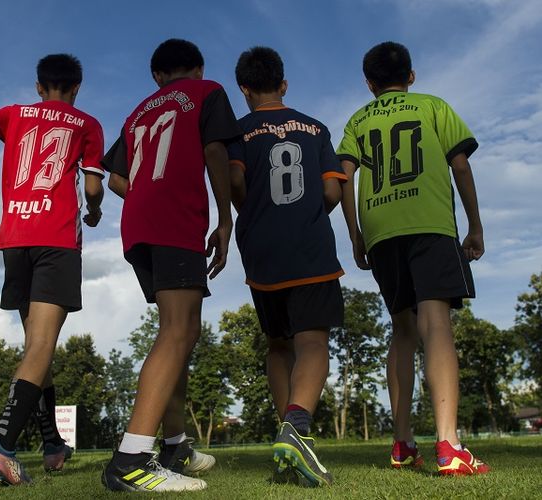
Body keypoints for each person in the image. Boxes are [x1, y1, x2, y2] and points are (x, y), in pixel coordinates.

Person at [336, 41, 489, 476]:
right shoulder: (434, 106)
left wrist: (356, 236)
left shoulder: (358, 120)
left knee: (401, 330)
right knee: (436, 322)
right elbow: (460, 165)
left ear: (369, 84)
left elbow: (343, 178)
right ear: (412, 75)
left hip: (382, 232)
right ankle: (449, 444)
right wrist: (475, 226)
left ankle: (402, 442)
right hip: (430, 225)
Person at [100, 38, 240, 493]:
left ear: (157, 76)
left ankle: (175, 444)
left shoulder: (138, 111)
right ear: (198, 68)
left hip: (137, 226)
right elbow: (217, 152)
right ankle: (131, 458)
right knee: (178, 331)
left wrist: (144, 197)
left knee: (179, 330)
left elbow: (117, 177)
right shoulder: (207, 91)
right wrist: (224, 215)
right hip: (176, 219)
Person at [0, 53, 105, 485]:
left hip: (16, 240)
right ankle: (0, 446)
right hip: (57, 239)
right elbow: (93, 187)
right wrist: (93, 210)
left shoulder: (14, 114)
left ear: (39, 87)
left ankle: (53, 443)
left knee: (36, 349)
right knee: (41, 347)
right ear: (76, 88)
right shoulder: (87, 123)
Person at [228, 46, 346, 486]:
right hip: (310, 247)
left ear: (244, 89)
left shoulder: (238, 131)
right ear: (284, 85)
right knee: (313, 342)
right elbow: (333, 192)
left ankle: (288, 446)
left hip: (261, 250)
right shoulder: (314, 127)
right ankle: (297, 429)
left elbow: (235, 181)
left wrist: (255, 212)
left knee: (278, 344)